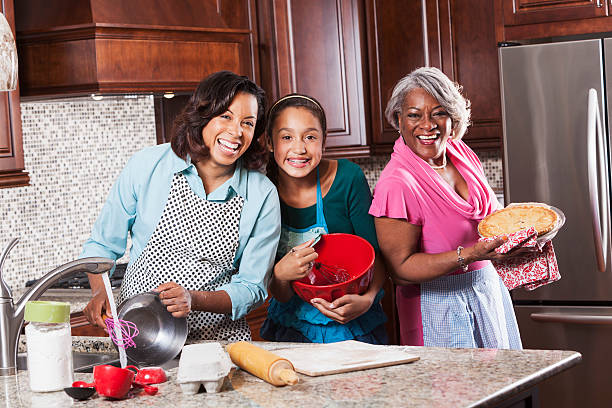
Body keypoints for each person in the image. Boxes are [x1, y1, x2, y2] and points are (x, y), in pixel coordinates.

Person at [80, 71, 281, 342]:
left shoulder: (261, 194)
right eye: (225, 116)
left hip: (217, 344)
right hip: (140, 338)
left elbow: (252, 287)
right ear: (202, 114)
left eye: (248, 123)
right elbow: (102, 246)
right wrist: (99, 291)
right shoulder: (148, 165)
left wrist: (193, 299)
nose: (236, 132)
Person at [369, 67, 523, 349]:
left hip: (486, 293)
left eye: (438, 113)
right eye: (414, 115)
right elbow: (400, 269)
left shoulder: (460, 152)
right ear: (398, 120)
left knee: (500, 387)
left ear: (453, 118)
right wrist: (472, 253)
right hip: (438, 307)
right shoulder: (396, 183)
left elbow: (492, 217)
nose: (427, 125)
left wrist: (522, 232)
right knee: (454, 392)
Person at [259, 94, 388, 344]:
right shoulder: (263, 192)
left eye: (310, 137)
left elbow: (376, 257)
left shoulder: (348, 178)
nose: (299, 148)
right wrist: (281, 274)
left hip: (353, 323)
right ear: (270, 142)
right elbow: (282, 295)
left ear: (323, 141)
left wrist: (367, 299)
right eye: (287, 137)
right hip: (292, 327)